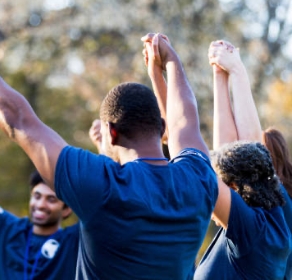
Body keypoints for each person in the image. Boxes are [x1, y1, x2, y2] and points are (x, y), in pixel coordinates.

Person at [0, 33, 218, 279]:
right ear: (161, 128)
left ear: (111, 134)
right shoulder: (199, 178)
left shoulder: (102, 185)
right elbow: (185, 122)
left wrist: (168, 62)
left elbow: (18, 119)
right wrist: (171, 61)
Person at [194, 40, 292, 279]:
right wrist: (220, 75)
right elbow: (227, 160)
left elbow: (242, 157)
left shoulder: (273, 217)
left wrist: (236, 71)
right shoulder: (256, 220)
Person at [0, 170, 79, 280]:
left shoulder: (74, 243)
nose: (41, 205)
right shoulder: (7, 228)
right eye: (37, 196)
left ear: (66, 210)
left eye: (51, 200)